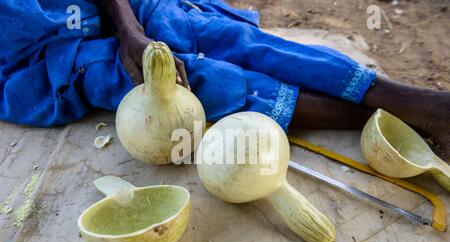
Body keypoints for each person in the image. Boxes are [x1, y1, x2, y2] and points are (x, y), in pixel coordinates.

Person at [1, 0, 448, 159]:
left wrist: (130, 30)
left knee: (218, 33)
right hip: (35, 61)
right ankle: (389, 119)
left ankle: (400, 98)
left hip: (103, 8)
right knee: (190, 82)